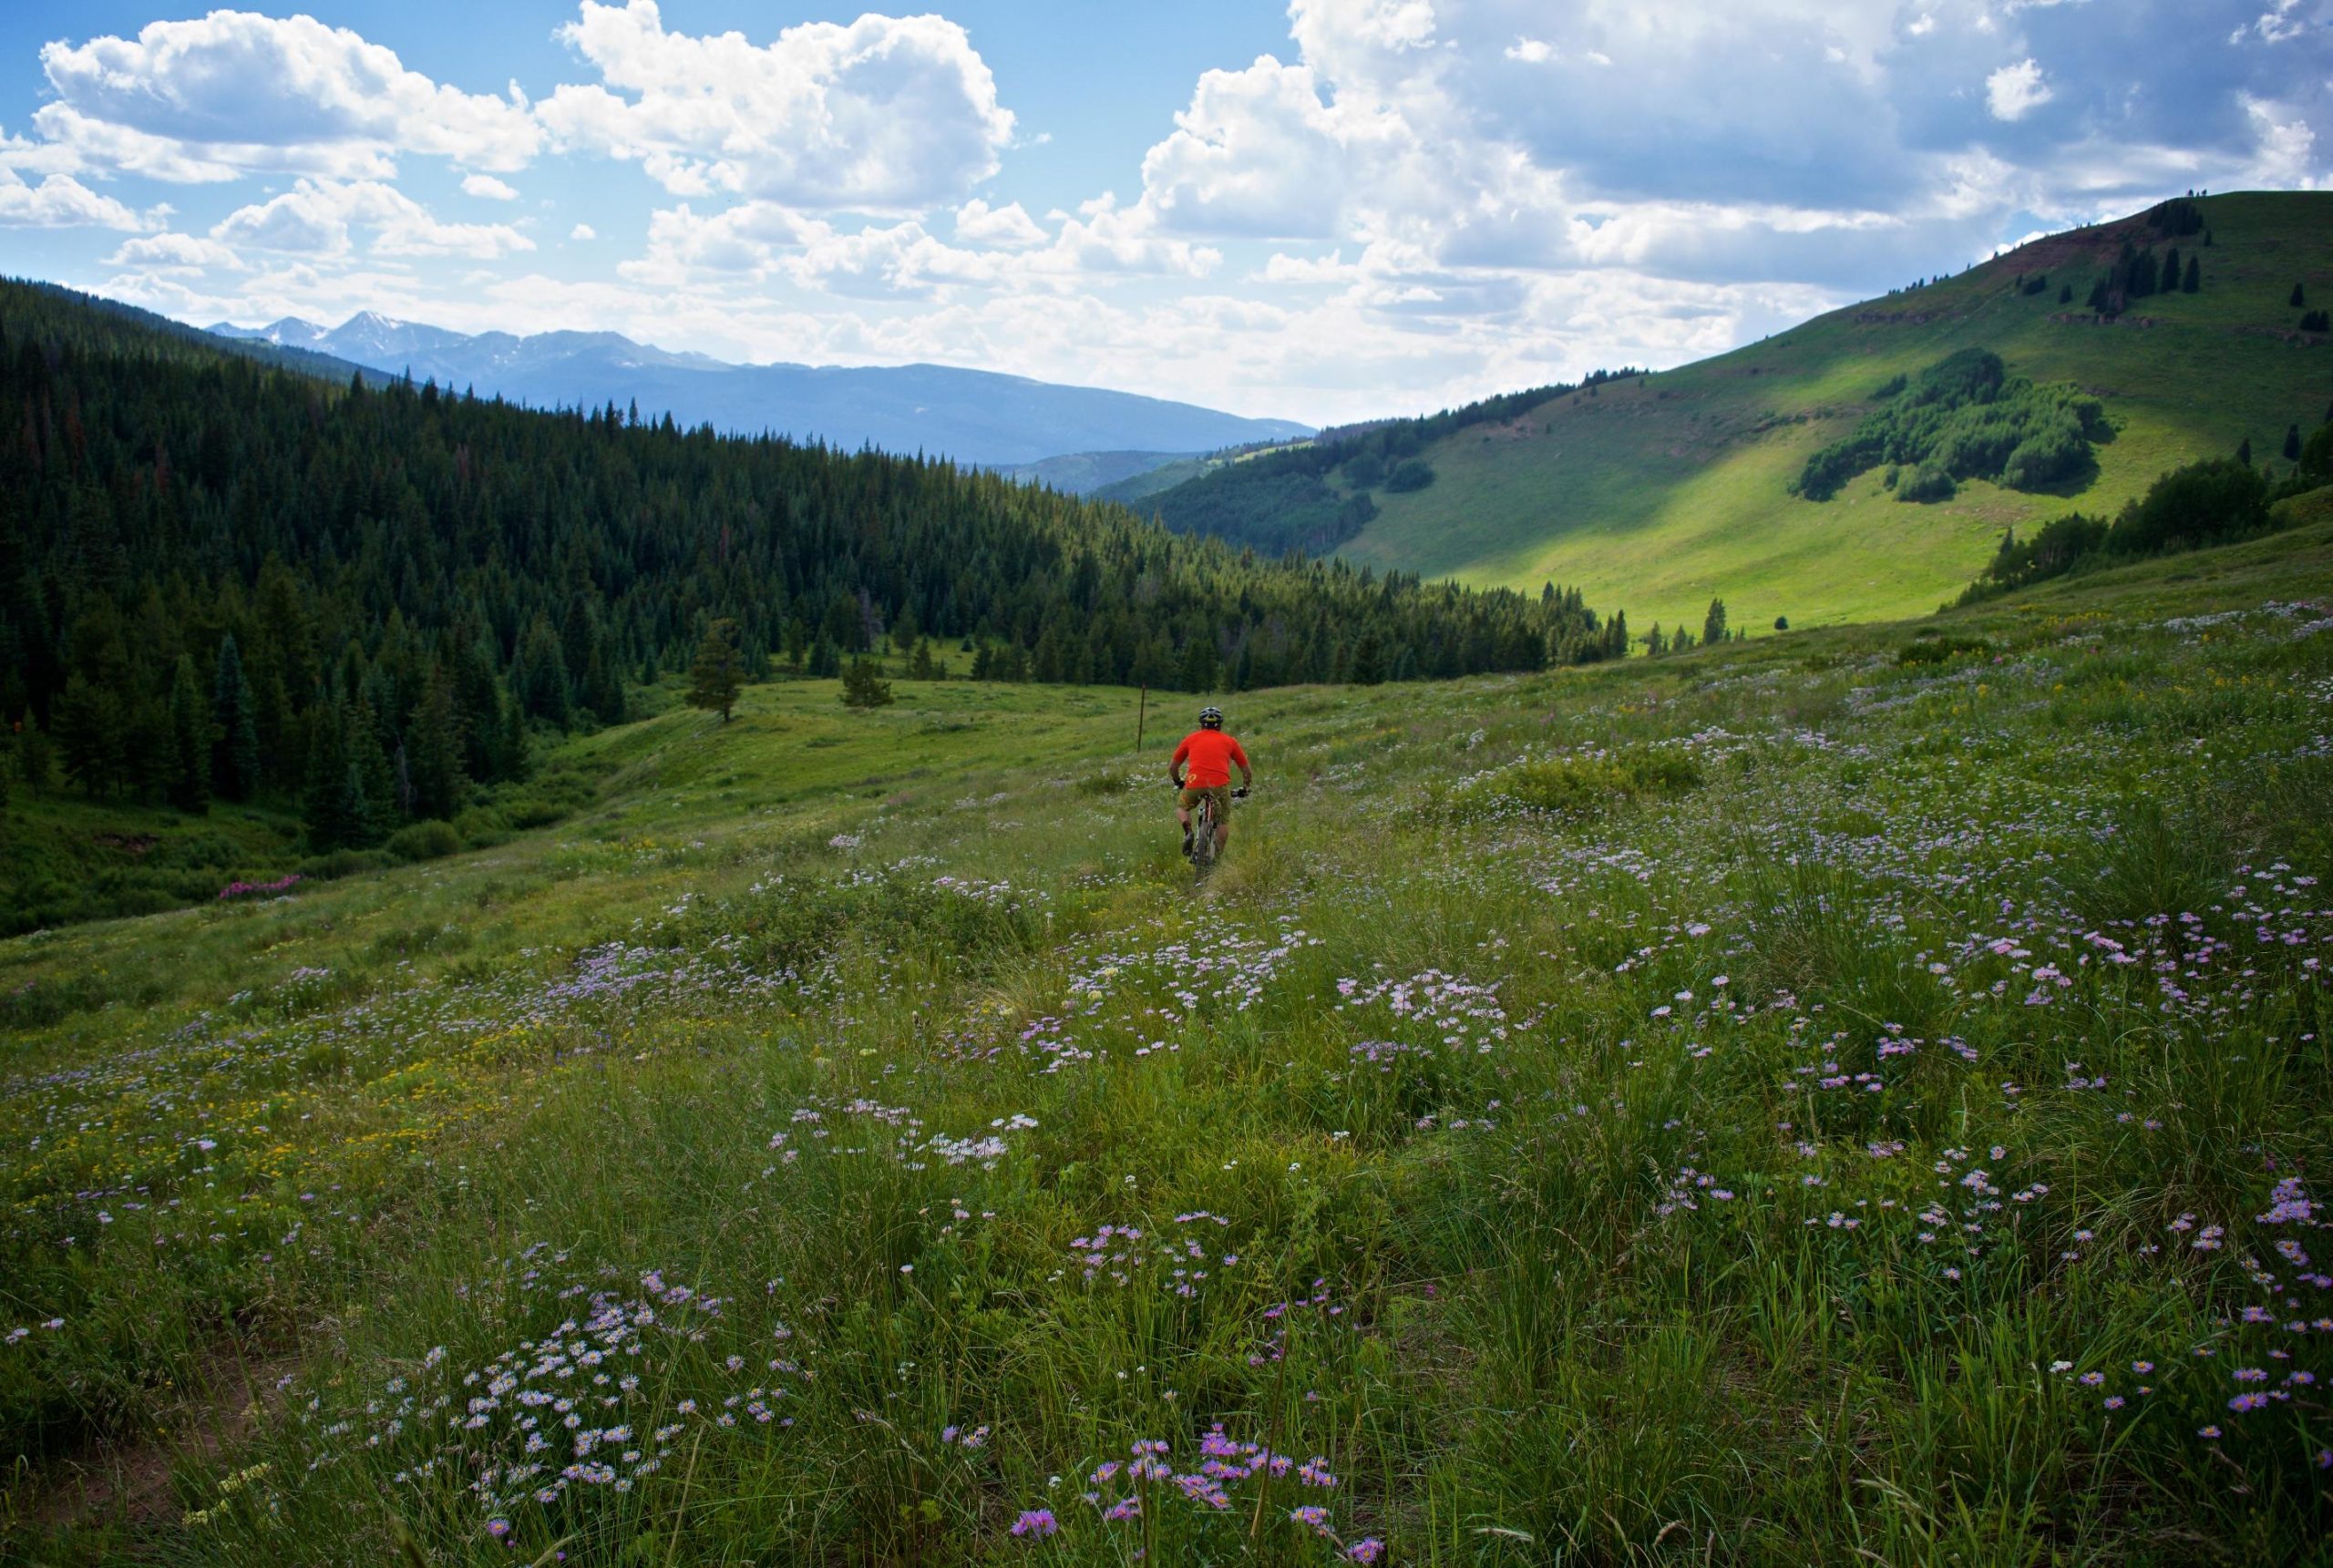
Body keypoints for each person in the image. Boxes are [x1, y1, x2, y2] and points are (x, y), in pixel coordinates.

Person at [1169, 705, 1251, 860]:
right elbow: (1246, 771)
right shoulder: (1230, 741)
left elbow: (1173, 767)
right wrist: (1245, 788)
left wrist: (1178, 781)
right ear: (1220, 725)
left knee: (1182, 808)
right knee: (1222, 820)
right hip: (1219, 786)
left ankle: (1188, 832)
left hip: (1194, 783)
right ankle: (1216, 858)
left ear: (1201, 724)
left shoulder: (1191, 738)